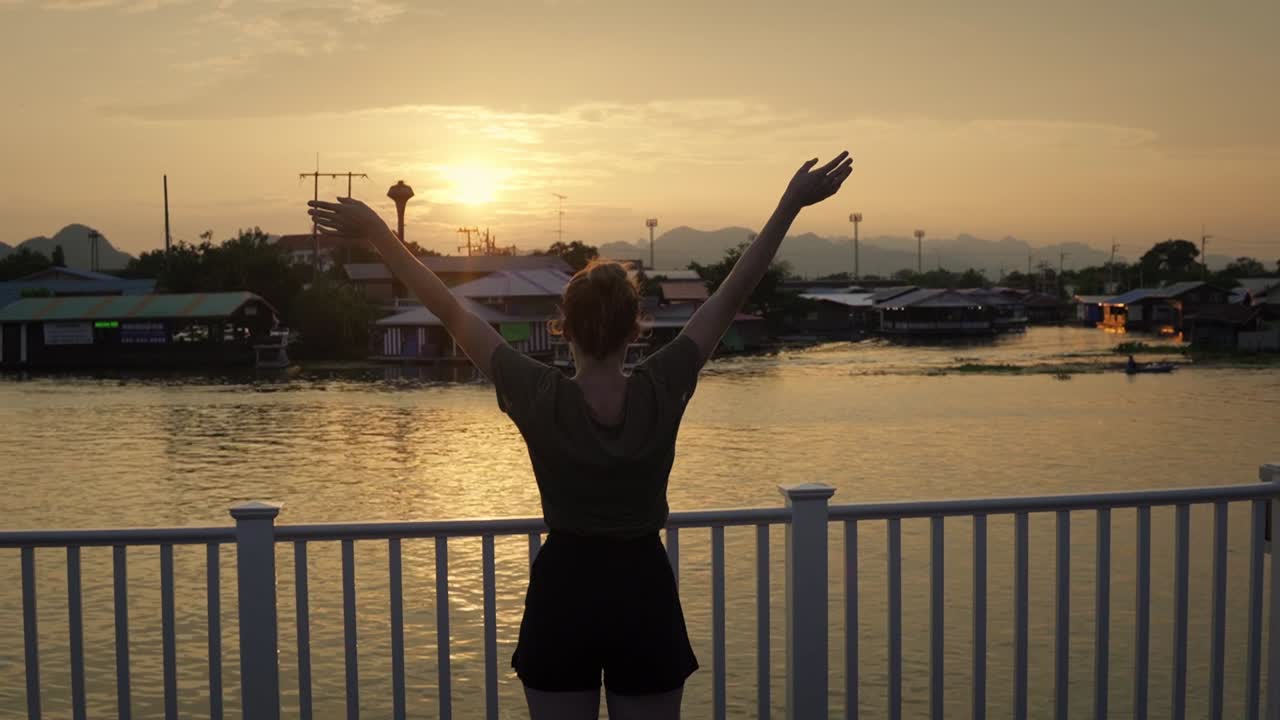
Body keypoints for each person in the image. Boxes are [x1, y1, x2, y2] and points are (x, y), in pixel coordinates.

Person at [308, 151, 853, 720]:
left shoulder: (541, 395)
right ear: (634, 327)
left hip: (563, 590)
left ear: (562, 327)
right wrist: (790, 204)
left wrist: (377, 233)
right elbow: (730, 297)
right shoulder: (661, 387)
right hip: (643, 590)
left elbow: (449, 310)